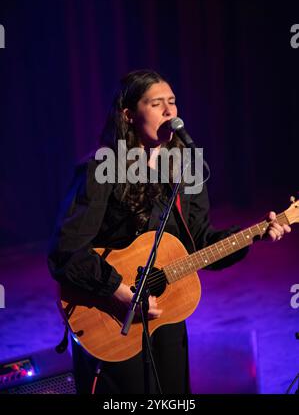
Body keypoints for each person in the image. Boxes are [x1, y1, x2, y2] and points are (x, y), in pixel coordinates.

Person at [48, 69, 291, 394]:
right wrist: (121, 293)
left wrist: (257, 232)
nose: (169, 111)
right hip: (111, 312)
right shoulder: (101, 169)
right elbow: (67, 252)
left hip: (165, 312)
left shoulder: (185, 168)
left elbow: (201, 243)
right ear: (129, 115)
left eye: (172, 102)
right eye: (156, 103)